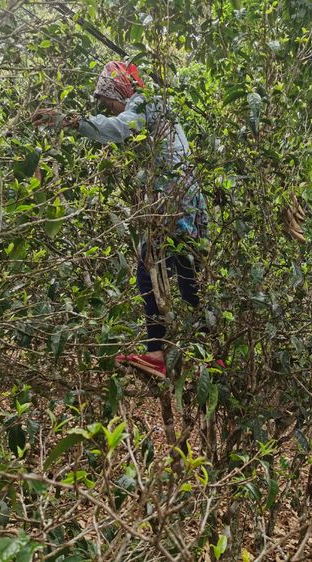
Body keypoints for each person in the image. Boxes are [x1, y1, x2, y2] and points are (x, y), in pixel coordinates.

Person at [31, 61, 208, 379]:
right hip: (187, 199)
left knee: (147, 272)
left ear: (121, 90)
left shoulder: (144, 102)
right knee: (187, 278)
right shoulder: (158, 105)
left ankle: (157, 354)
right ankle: (211, 358)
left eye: (107, 101)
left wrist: (71, 122)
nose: (109, 109)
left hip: (173, 200)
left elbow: (120, 128)